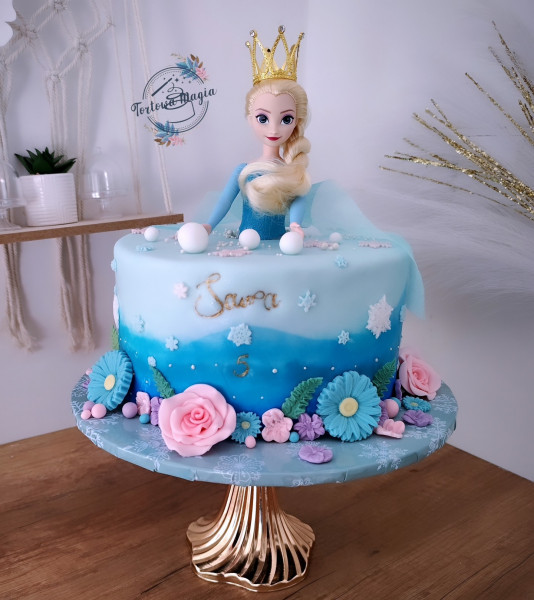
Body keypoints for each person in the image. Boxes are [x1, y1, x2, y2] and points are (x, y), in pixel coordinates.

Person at [204, 29, 312, 240]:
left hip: (278, 246)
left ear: (296, 122)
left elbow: (299, 200)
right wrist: (209, 225)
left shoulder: (292, 171)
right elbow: (225, 200)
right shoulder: (243, 170)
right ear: (249, 118)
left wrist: (295, 225)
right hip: (245, 244)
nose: (274, 129)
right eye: (263, 118)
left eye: (286, 119)